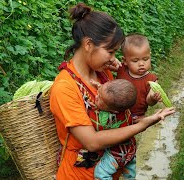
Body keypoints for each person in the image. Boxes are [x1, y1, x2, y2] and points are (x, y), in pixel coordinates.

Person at [49, 2, 175, 180]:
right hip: (80, 174)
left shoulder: (104, 73)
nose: (113, 59)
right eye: (110, 52)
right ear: (88, 45)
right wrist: (139, 126)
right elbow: (91, 142)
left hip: (109, 171)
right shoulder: (65, 87)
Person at [117, 33, 162, 121]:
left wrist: (153, 98)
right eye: (135, 60)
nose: (141, 64)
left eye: (145, 59)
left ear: (150, 56)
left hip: (136, 116)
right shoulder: (122, 69)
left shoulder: (152, 80)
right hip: (116, 111)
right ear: (125, 61)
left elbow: (150, 102)